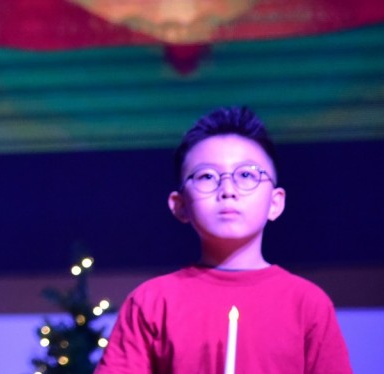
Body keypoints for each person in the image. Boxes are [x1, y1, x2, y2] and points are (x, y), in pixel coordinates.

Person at [97, 106, 352, 373]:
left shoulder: (307, 304)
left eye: (246, 175)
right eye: (207, 176)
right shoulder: (151, 302)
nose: (228, 190)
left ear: (275, 202)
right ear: (180, 205)